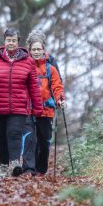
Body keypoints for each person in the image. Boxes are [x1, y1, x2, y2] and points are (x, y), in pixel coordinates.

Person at [0, 27, 43, 176]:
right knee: (2, 137)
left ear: (18, 42)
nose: (11, 43)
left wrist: (37, 108)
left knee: (14, 133)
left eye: (13, 40)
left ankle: (15, 163)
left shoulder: (28, 61)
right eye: (8, 40)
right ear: (4, 41)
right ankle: (4, 166)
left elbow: (33, 87)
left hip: (19, 106)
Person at [27, 31, 65, 176]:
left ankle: (40, 170)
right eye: (34, 49)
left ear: (44, 48)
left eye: (39, 49)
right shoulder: (24, 64)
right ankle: (29, 169)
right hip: (28, 109)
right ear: (29, 49)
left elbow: (57, 84)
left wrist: (60, 98)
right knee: (30, 139)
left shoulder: (51, 65)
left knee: (44, 141)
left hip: (46, 108)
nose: (36, 52)